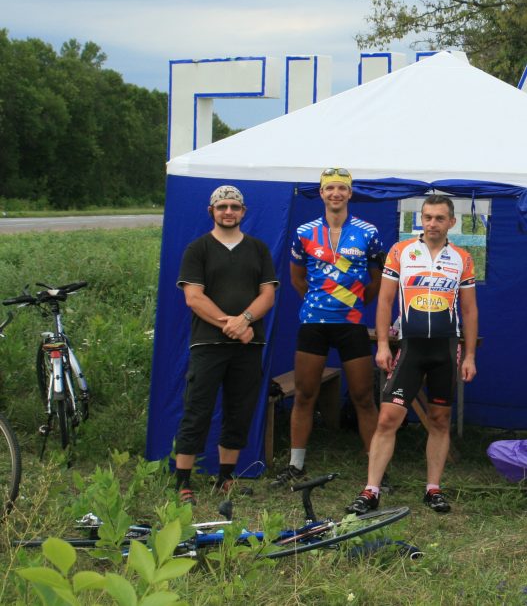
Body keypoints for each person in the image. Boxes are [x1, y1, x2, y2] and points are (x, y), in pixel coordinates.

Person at [346, 195, 478, 514]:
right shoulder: (401, 251)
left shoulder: (462, 257)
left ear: (451, 222)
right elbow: (384, 301)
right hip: (410, 348)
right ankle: (371, 490)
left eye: (439, 218)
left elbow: (470, 310)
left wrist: (470, 356)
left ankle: (433, 489)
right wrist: (382, 344)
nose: (432, 223)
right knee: (388, 418)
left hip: (445, 349)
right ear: (421, 219)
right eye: (427, 217)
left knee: (440, 420)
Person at [275, 167, 385, 485]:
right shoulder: (305, 232)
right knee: (305, 394)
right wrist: (318, 303)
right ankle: (296, 465)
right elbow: (297, 278)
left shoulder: (367, 231)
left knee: (363, 397)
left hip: (352, 323)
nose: (336, 193)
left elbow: (376, 280)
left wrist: (354, 304)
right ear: (321, 193)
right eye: (330, 188)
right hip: (314, 322)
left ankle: (376, 468)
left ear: (350, 193)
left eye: (341, 188)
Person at [174, 185, 279, 505]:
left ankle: (225, 478)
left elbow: (267, 295)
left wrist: (245, 320)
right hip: (208, 344)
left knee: (239, 411)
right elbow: (194, 298)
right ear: (212, 211)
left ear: (243, 212)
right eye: (222, 207)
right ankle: (183, 482)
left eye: (234, 206)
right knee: (197, 409)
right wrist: (231, 326)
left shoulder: (258, 249)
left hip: (249, 346)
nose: (228, 212)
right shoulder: (198, 249)